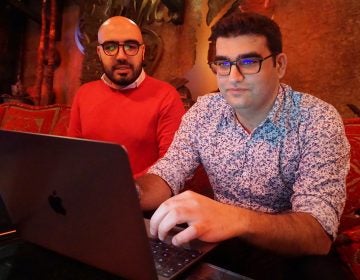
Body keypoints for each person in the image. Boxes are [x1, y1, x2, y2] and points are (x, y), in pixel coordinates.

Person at [136, 11, 351, 279]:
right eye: (223, 64)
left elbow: (317, 235)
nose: (233, 76)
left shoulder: (316, 119)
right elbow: (170, 172)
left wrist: (234, 219)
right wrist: (131, 191)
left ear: (280, 65)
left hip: (289, 249)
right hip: (220, 241)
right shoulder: (204, 111)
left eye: (248, 62)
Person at [68, 16, 185, 178]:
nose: (121, 56)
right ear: (99, 53)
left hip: (142, 197)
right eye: (110, 47)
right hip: (89, 193)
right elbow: (73, 155)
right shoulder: (83, 94)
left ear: (143, 52)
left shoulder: (167, 96)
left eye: (131, 46)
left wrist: (123, 188)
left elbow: (172, 165)